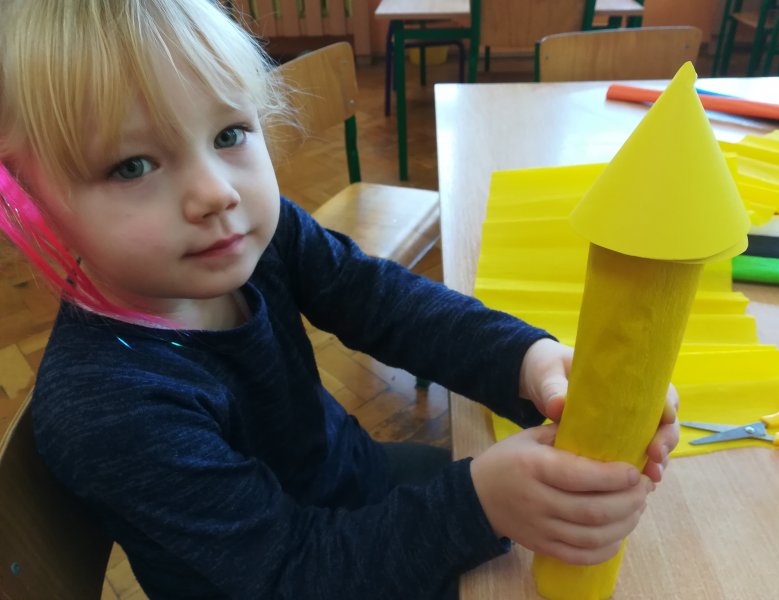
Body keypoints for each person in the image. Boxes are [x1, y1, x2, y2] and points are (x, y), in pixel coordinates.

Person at [0, 1, 679, 598]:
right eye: (132, 166)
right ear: (27, 198)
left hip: (356, 484)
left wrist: (528, 362)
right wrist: (479, 506)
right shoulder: (109, 406)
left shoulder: (251, 239)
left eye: (229, 134)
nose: (215, 193)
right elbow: (288, 575)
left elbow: (381, 301)